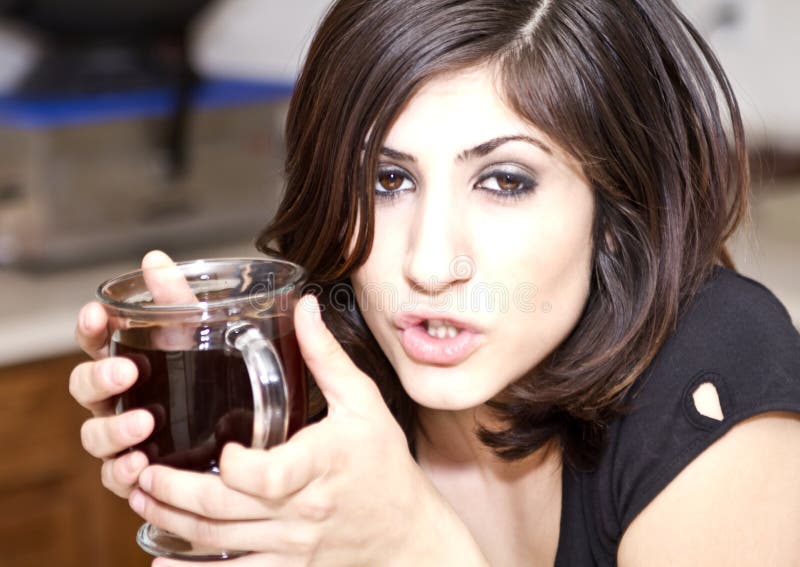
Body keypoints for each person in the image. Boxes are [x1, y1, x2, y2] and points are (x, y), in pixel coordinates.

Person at [69, 0, 800, 565]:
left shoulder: (715, 376)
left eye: (505, 181)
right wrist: (209, 489)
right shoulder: (316, 387)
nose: (427, 263)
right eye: (388, 179)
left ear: (613, 213)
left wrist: (411, 542)